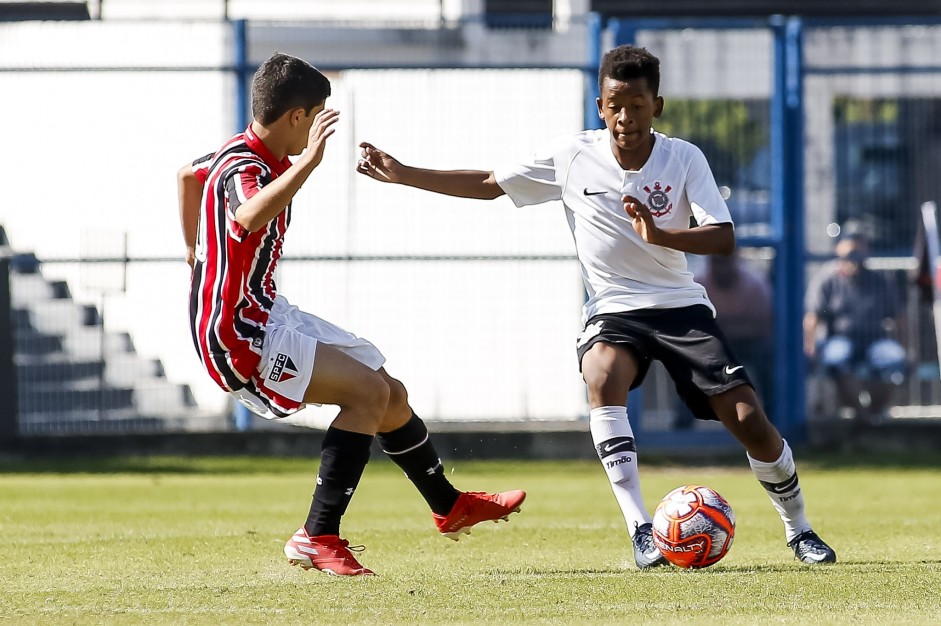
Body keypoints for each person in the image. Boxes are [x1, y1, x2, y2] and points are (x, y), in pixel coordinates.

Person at [355, 44, 836, 567]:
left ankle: (799, 529)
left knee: (748, 418)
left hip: (680, 307)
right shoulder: (573, 155)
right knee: (601, 372)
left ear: (658, 106)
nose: (626, 116)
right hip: (614, 308)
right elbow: (492, 184)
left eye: (637, 103)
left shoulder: (684, 158)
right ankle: (641, 528)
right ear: (600, 105)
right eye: (616, 104)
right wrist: (405, 173)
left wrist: (662, 233)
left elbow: (722, 238)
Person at [176, 52, 525, 577]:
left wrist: (194, 253)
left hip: (265, 311)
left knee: (390, 390)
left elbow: (186, 176)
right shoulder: (246, 167)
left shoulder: (234, 153)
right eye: (318, 116)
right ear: (298, 118)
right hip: (237, 336)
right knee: (367, 395)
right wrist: (308, 162)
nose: (320, 127)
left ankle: (448, 505)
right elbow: (247, 214)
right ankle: (317, 534)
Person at [804, 223, 907, 425]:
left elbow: (900, 317)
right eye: (850, 248)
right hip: (840, 339)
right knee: (836, 357)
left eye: (860, 247)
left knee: (894, 359)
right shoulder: (828, 278)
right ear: (838, 249)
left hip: (875, 339)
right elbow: (813, 316)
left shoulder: (880, 279)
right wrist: (810, 346)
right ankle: (863, 417)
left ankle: (872, 415)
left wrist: (906, 348)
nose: (855, 254)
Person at [674, 250, 776, 429]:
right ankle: (681, 428)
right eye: (716, 262)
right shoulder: (699, 285)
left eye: (725, 261)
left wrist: (723, 325)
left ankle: (773, 419)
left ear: (736, 261)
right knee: (688, 366)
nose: (721, 267)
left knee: (766, 357)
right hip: (712, 345)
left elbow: (763, 325)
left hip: (748, 345)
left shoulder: (754, 285)